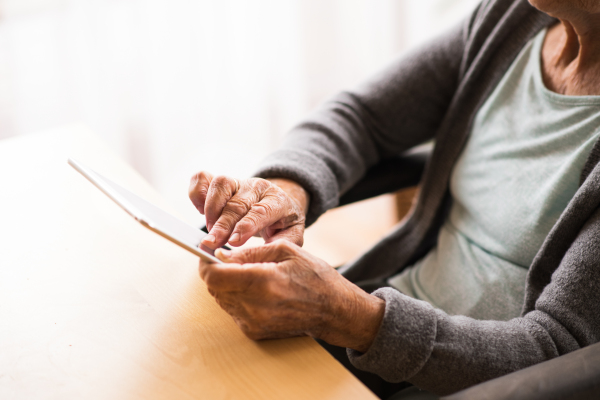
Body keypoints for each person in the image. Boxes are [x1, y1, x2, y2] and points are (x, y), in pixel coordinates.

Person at [188, 0, 600, 397]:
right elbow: (363, 116)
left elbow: (555, 351)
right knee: (195, 355)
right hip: (385, 309)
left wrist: (349, 316)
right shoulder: (511, 16)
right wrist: (285, 191)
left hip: (474, 383)